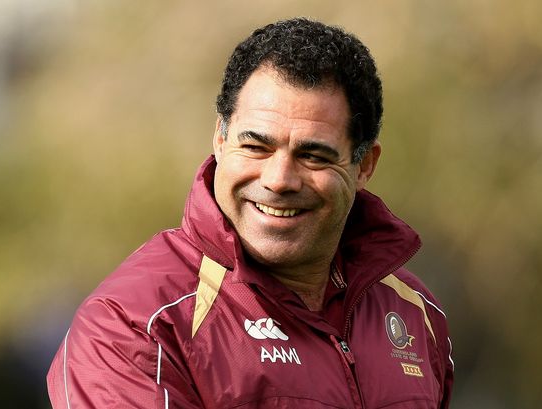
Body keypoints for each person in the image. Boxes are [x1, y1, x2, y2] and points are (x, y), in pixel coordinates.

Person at [47, 18, 454, 408]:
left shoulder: (416, 313)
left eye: (313, 155)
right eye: (256, 147)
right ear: (220, 139)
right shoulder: (134, 323)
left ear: (364, 165)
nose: (279, 180)